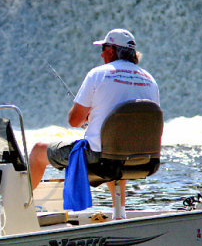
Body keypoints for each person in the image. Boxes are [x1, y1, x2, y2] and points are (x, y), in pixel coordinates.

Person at [29, 28, 160, 216]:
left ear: (112, 50)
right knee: (117, 147)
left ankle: (20, 208)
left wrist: (88, 117)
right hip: (146, 159)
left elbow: (74, 120)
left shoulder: (98, 74)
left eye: (104, 48)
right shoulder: (150, 80)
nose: (101, 53)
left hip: (100, 159)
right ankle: (120, 213)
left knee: (37, 152)